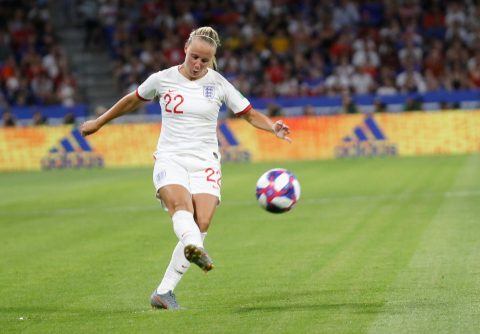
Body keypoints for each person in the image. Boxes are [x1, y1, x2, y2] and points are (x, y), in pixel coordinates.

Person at [80, 26, 291, 310]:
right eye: (194, 57)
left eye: (205, 60)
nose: (198, 64)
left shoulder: (218, 84)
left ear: (212, 59)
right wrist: (99, 122)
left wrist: (273, 127)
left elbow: (249, 114)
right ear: (185, 49)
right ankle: (196, 249)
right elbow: (131, 100)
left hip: (205, 162)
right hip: (171, 158)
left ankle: (164, 292)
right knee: (183, 209)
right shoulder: (162, 79)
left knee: (201, 222)